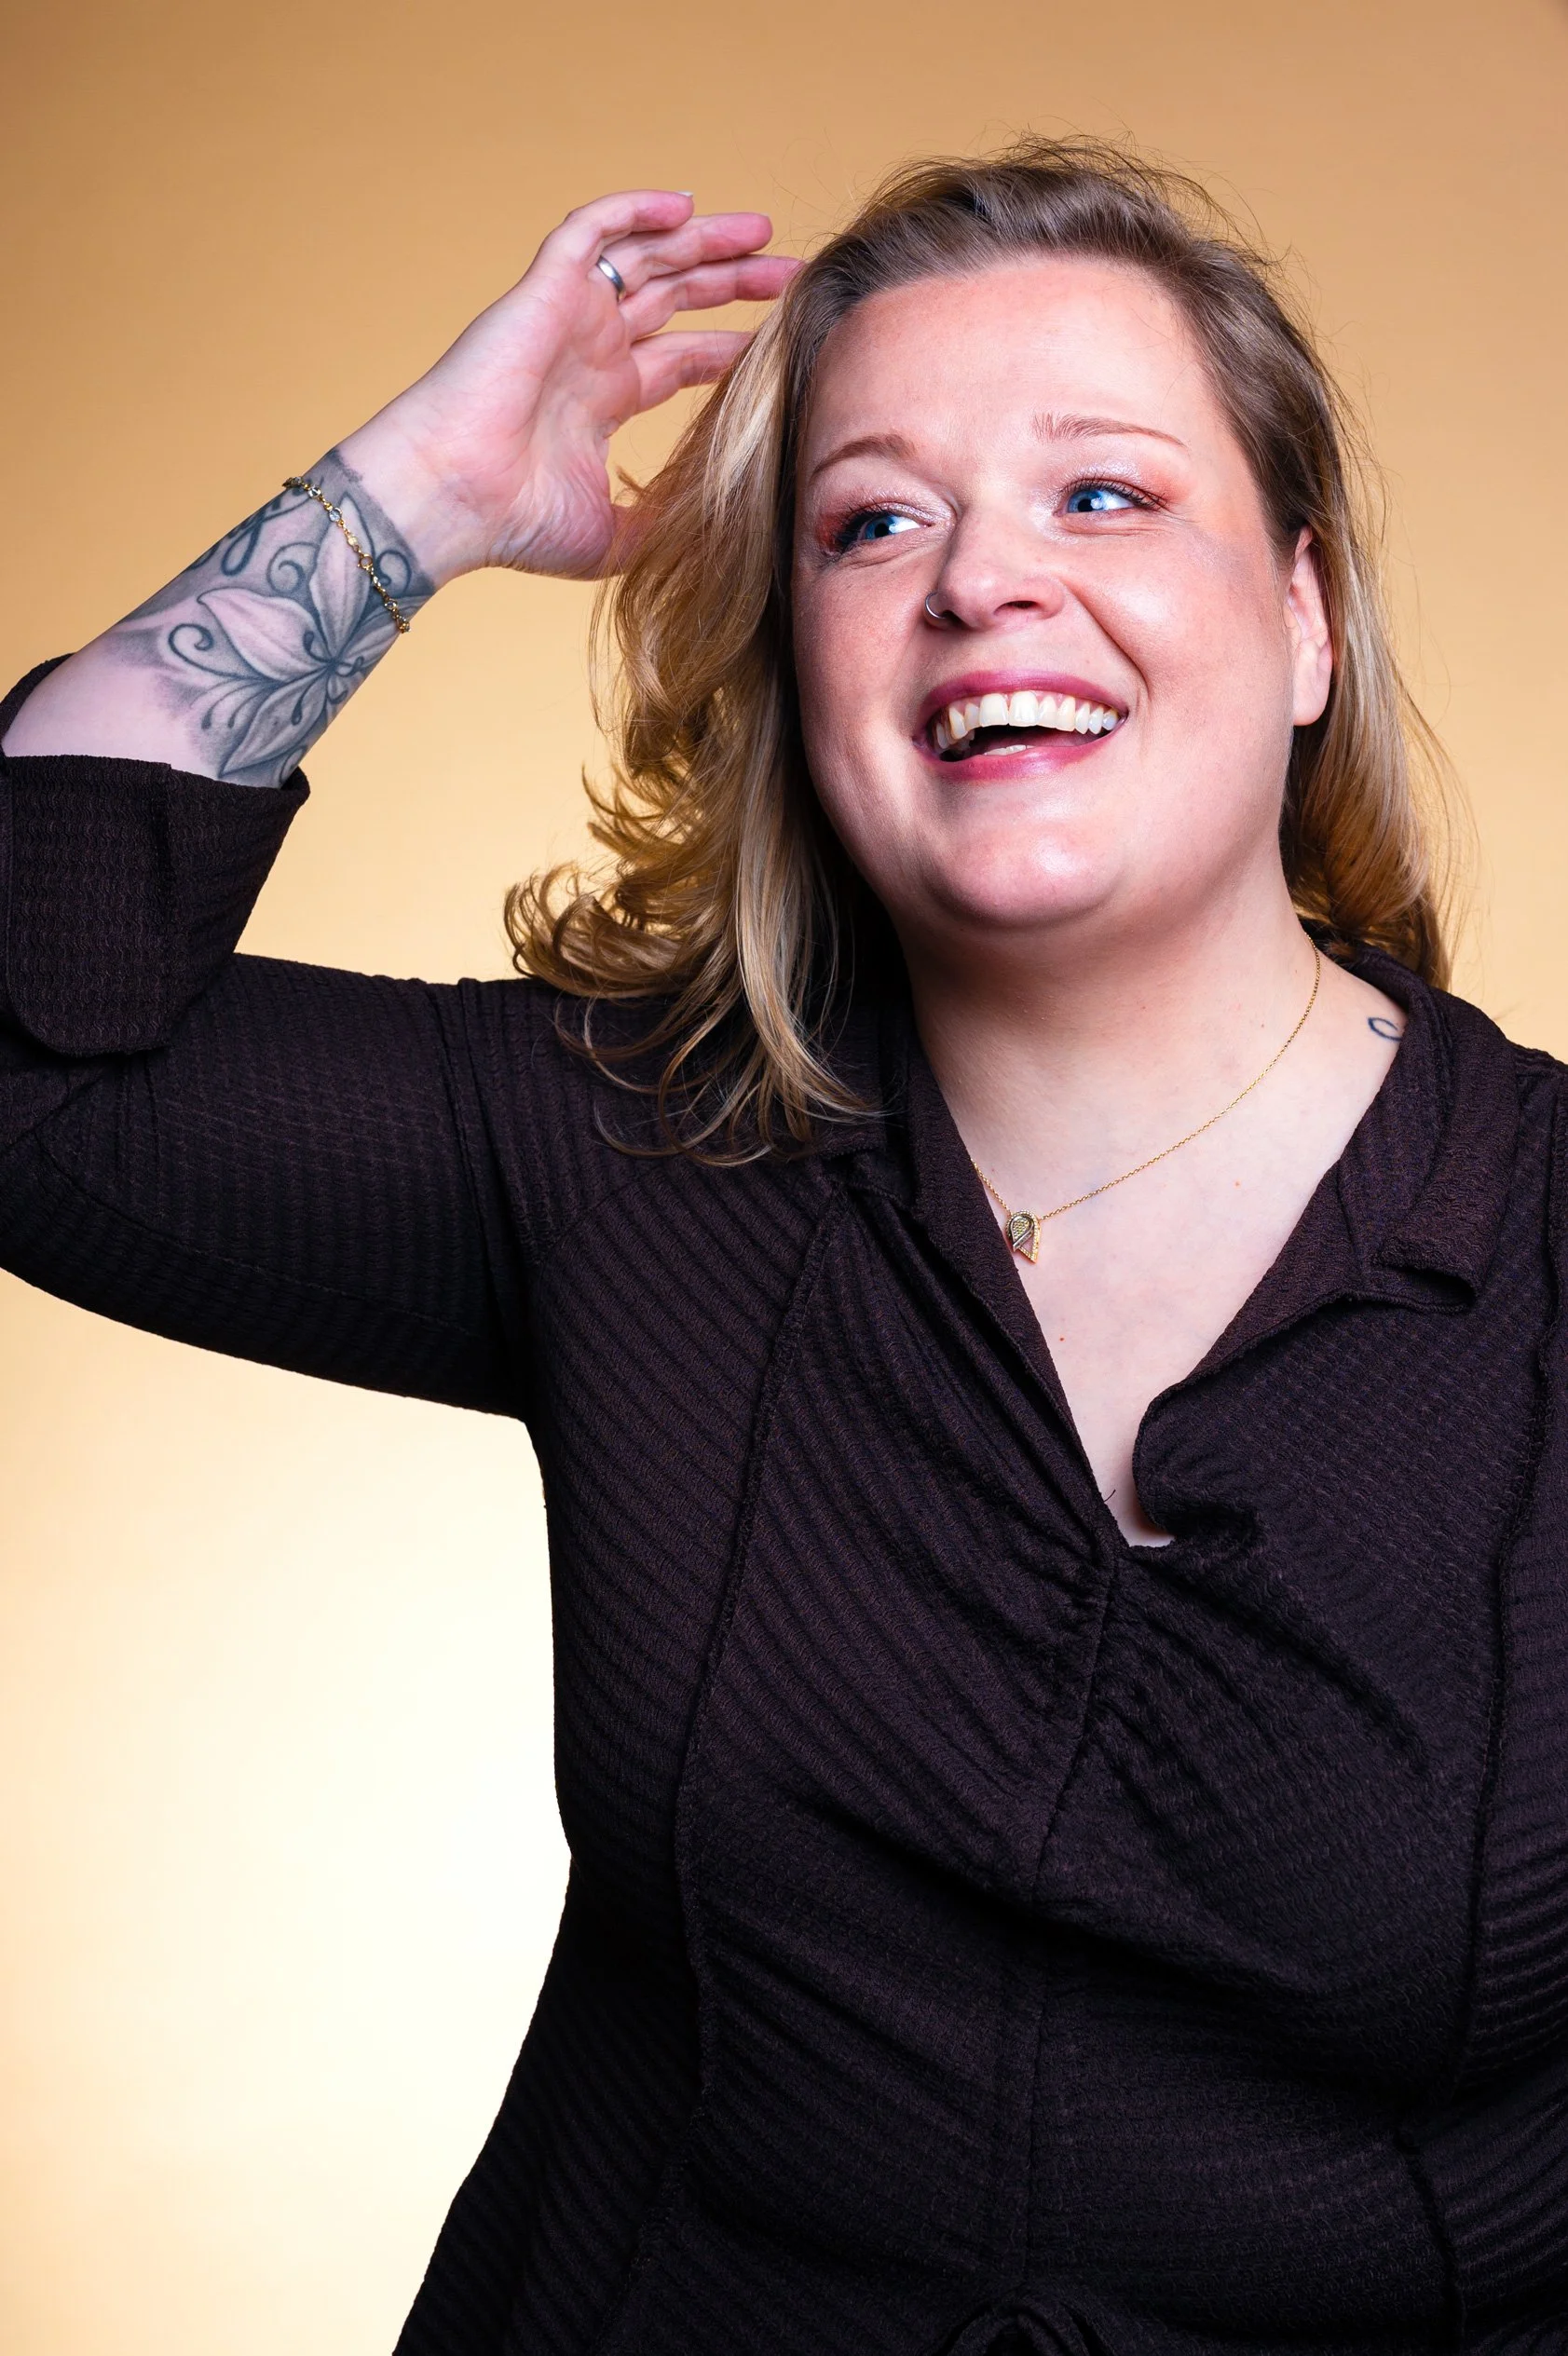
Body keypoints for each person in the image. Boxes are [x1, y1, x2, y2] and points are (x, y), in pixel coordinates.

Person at [0, 136, 1561, 2353]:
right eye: (872, 522)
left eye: (1103, 496)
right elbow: (25, 1054)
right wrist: (413, 501)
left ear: (1305, 616)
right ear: (798, 660)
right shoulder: (633, 1152)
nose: (984, 583)